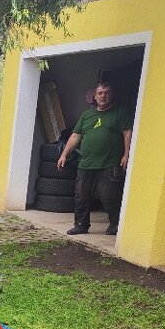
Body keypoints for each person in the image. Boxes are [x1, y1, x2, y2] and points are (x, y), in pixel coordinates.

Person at [57, 81, 133, 236]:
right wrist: (64, 154)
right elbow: (75, 136)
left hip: (109, 163)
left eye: (107, 93)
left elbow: (127, 133)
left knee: (109, 196)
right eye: (100, 93)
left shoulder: (120, 112)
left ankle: (115, 224)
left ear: (112, 95)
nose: (103, 96)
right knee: (81, 195)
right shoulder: (87, 115)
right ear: (95, 97)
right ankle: (81, 225)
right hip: (86, 163)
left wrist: (127, 154)